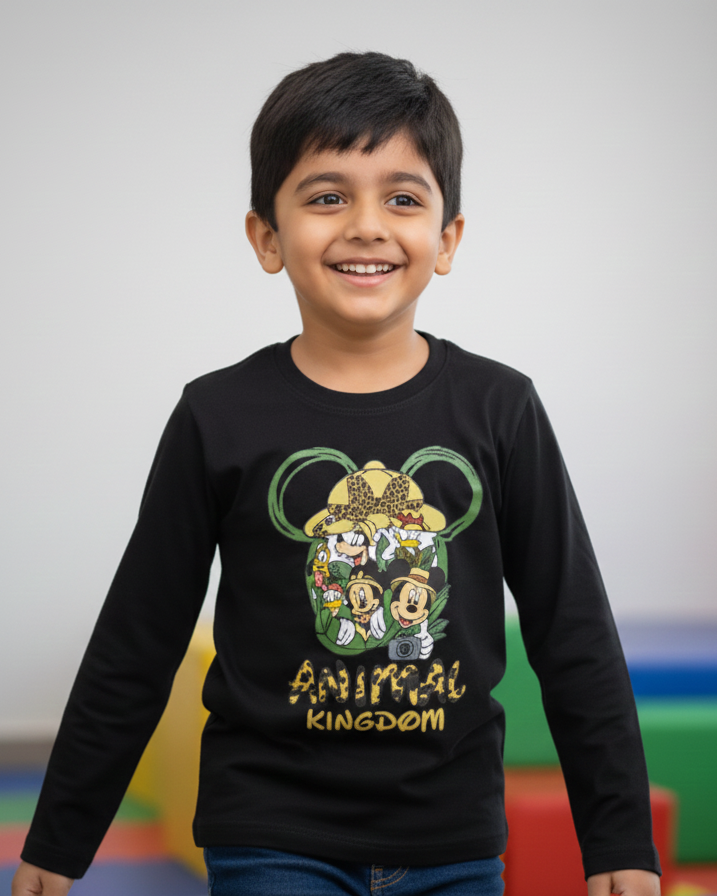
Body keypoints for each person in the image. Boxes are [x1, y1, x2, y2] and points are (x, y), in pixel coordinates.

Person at [13, 52, 662, 896]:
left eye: (402, 197)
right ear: (266, 237)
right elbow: (138, 637)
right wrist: (60, 841)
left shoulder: (500, 410)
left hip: (453, 838)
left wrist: (619, 840)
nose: (365, 224)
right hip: (271, 833)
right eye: (327, 197)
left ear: (448, 238)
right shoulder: (218, 416)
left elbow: (572, 633)